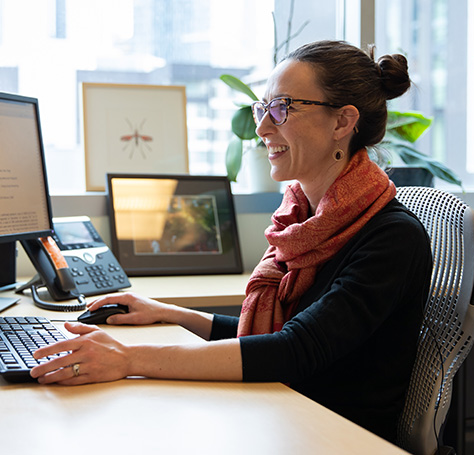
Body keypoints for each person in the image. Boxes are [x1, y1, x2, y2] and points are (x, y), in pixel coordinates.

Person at [31, 40, 433, 445]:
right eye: (264, 109)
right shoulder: (302, 224)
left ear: (343, 122)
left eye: (283, 108)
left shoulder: (392, 237)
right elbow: (272, 337)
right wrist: (170, 314)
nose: (262, 128)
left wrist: (129, 358)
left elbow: (293, 350)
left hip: (333, 437)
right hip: (282, 413)